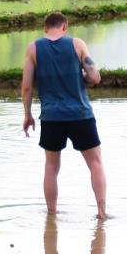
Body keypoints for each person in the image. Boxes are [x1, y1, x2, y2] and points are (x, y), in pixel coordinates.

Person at [22, 12, 107, 217]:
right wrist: (81, 77)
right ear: (65, 27)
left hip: (51, 117)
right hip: (81, 114)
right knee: (95, 163)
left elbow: (26, 87)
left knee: (51, 166)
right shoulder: (77, 44)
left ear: (45, 28)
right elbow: (95, 77)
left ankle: (52, 214)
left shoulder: (33, 48)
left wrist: (27, 114)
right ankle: (101, 212)